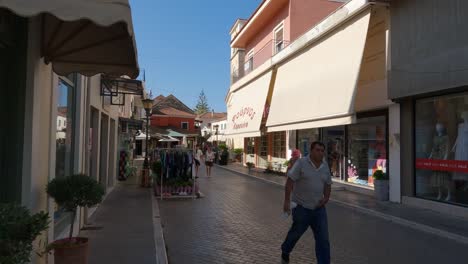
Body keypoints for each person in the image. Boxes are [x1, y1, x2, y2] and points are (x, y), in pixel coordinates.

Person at [281, 141, 332, 264]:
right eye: (317, 150)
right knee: (295, 234)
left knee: (323, 240)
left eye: (322, 150)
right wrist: (287, 201)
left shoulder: (325, 166)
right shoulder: (301, 163)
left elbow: (328, 184)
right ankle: (285, 251)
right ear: (311, 150)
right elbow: (290, 182)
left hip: (319, 209)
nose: (320, 153)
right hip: (301, 208)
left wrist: (326, 198)